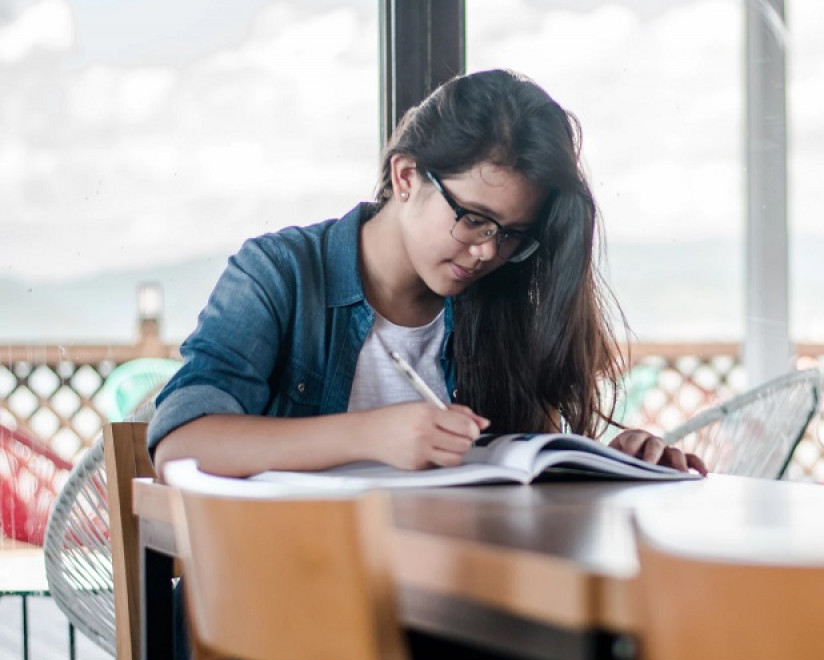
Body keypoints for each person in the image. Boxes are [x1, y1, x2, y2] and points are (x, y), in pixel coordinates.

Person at [149, 68, 707, 479]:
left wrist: (617, 462)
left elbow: (524, 475)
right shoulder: (281, 273)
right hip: (279, 597)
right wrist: (372, 433)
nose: (489, 252)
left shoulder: (499, 300)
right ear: (408, 175)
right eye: (474, 220)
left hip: (439, 595)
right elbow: (181, 444)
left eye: (511, 234)